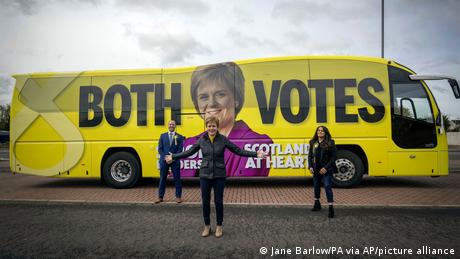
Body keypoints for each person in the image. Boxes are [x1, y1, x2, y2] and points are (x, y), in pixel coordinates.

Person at [165, 116, 267, 238]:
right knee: (205, 202)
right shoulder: (201, 140)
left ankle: (219, 226)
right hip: (205, 175)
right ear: (206, 127)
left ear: (217, 127)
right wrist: (174, 156)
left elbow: (238, 151)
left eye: (214, 126)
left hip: (219, 175)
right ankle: (207, 226)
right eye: (209, 126)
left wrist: (256, 154)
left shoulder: (223, 140)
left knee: (218, 202)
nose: (211, 128)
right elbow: (189, 152)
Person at [181, 62, 272, 177]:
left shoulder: (258, 143)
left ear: (236, 99)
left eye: (220, 94)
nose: (212, 103)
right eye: (204, 97)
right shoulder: (188, 143)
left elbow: (242, 187)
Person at [308, 126, 337, 218]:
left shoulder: (330, 143)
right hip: (316, 169)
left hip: (326, 169)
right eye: (318, 130)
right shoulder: (313, 142)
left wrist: (326, 168)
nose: (320, 132)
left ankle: (331, 208)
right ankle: (317, 203)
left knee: (327, 185)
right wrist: (310, 166)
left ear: (325, 133)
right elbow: (310, 156)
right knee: (316, 186)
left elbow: (334, 157)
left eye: (322, 131)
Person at [156, 120, 184, 204]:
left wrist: (173, 157)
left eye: (173, 124)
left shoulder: (180, 137)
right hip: (164, 161)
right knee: (162, 179)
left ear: (175, 126)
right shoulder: (162, 136)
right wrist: (166, 157)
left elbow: (180, 149)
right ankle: (160, 197)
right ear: (168, 125)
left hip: (175, 161)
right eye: (170, 124)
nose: (171, 125)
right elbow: (160, 149)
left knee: (177, 179)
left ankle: (178, 197)